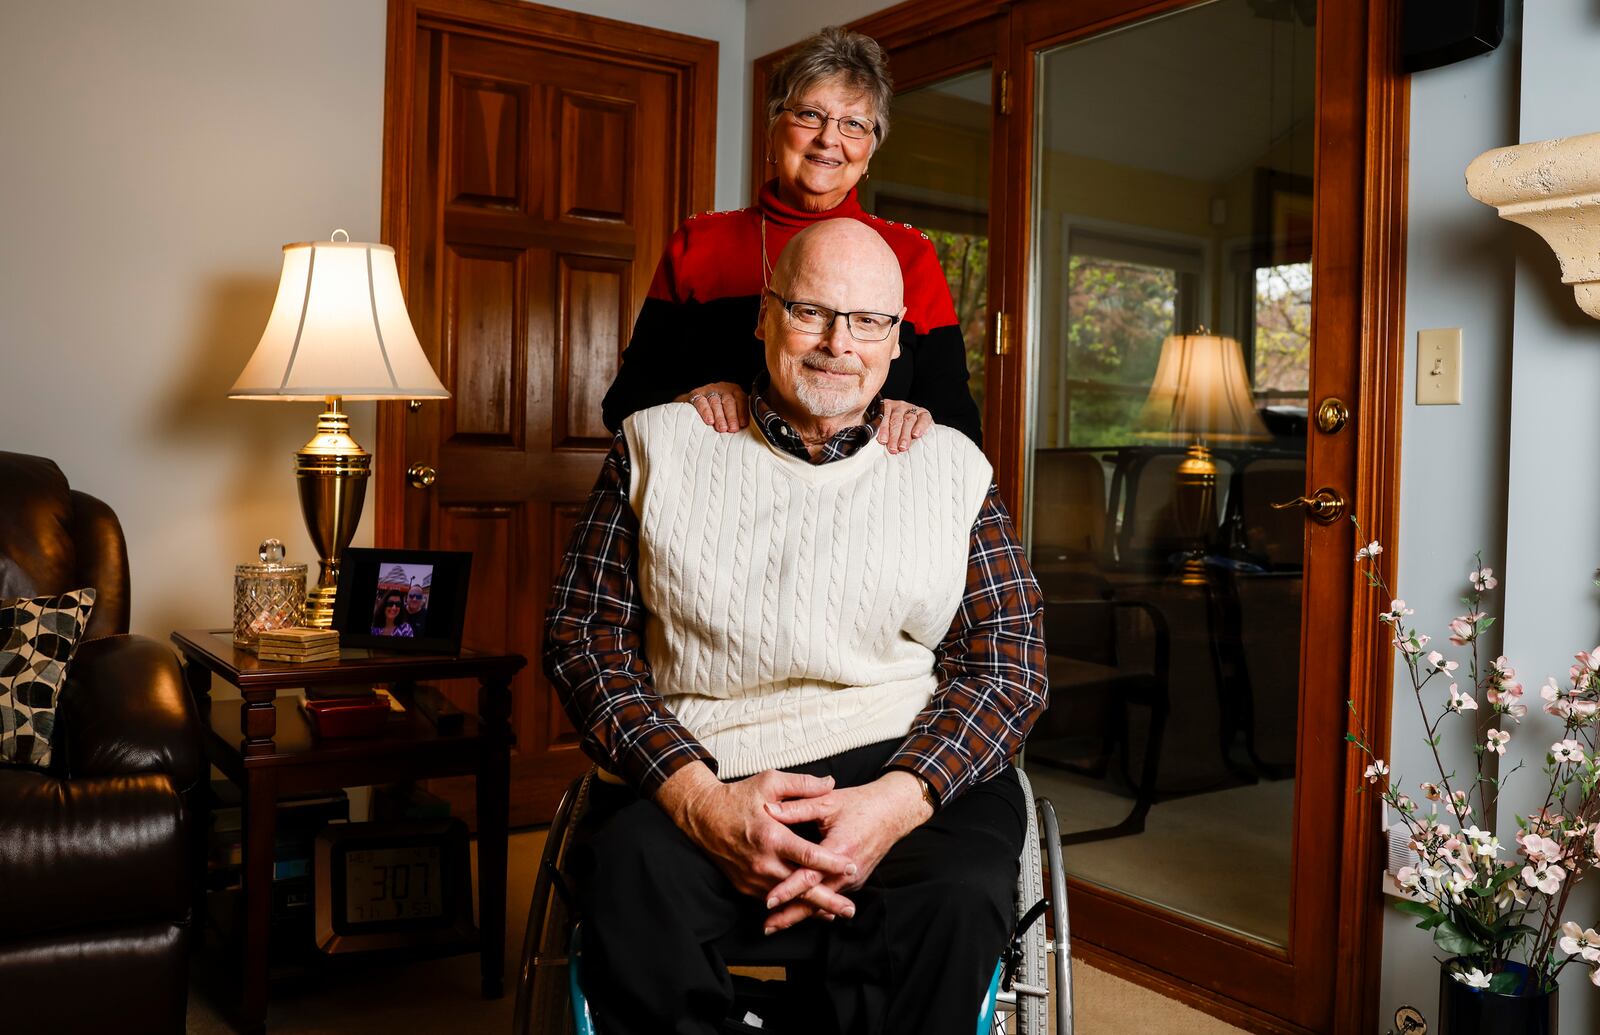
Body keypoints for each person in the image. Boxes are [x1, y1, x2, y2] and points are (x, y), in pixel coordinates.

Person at [545, 220, 1045, 1035]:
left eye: (868, 321)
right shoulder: (659, 444)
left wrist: (894, 801)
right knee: (631, 877)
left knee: (955, 899)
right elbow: (583, 637)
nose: (837, 343)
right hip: (707, 758)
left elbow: (1010, 664)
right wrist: (700, 799)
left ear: (896, 340)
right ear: (764, 317)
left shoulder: (948, 465)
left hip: (899, 757)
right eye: (810, 311)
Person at [599, 25, 983, 455]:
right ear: (773, 126)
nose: (829, 138)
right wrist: (691, 401)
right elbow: (624, 405)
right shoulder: (700, 242)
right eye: (809, 115)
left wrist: (915, 416)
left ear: (871, 149)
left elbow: (960, 427)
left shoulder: (909, 255)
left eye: (854, 124)